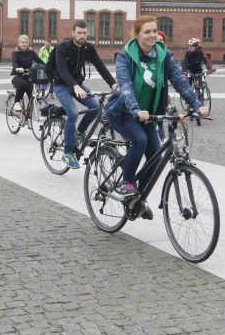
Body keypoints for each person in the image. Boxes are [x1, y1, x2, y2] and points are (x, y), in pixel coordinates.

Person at [105, 17, 209, 219]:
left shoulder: (163, 55)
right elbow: (125, 85)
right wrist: (135, 109)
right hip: (123, 112)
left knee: (156, 155)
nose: (152, 35)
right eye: (147, 32)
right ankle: (127, 183)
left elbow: (179, 81)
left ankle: (138, 200)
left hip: (149, 114)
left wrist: (197, 105)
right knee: (140, 140)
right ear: (137, 35)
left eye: (154, 31)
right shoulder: (125, 56)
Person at [51, 19, 117, 169]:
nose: (82, 36)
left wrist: (113, 84)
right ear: (73, 33)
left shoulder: (88, 48)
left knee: (95, 106)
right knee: (73, 113)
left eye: (85, 33)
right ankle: (68, 153)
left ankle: (80, 132)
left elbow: (100, 66)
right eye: (79, 33)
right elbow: (62, 70)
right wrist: (74, 86)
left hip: (78, 84)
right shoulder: (63, 47)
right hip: (61, 85)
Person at [10, 34, 45, 110]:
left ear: (28, 43)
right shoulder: (15, 53)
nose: (24, 44)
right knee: (22, 84)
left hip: (27, 75)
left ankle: (28, 116)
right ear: (19, 43)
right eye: (22, 42)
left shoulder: (31, 52)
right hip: (16, 75)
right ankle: (17, 103)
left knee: (31, 95)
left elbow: (39, 61)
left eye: (26, 42)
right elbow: (14, 63)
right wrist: (17, 68)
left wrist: (47, 67)